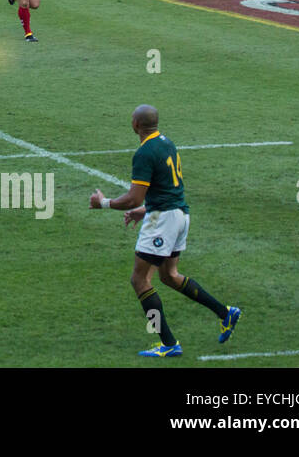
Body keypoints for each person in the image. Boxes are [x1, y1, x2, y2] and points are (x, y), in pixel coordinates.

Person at [89, 105, 241, 357]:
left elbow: (132, 199)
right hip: (180, 215)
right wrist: (145, 210)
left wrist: (103, 203)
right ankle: (226, 313)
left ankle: (169, 344)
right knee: (169, 275)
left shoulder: (144, 152)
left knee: (139, 279)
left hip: (163, 220)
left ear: (136, 124)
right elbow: (165, 187)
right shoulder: (167, 143)